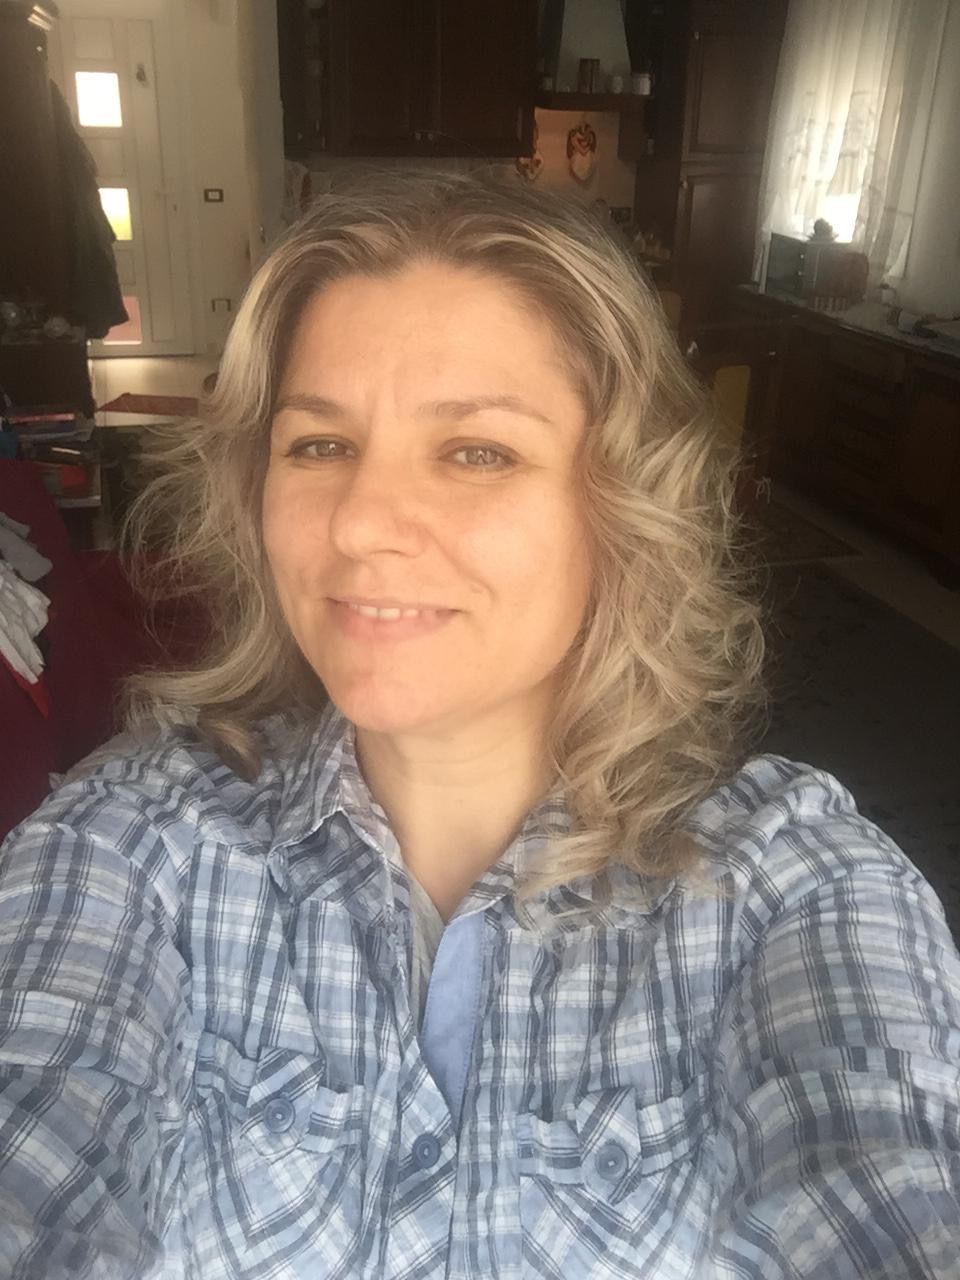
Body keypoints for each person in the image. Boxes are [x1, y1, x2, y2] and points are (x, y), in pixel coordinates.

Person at [0, 170, 958, 1280]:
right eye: (318, 444)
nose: (360, 523)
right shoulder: (132, 845)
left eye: (477, 452)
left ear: (622, 507)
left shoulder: (787, 883)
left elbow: (891, 1185)